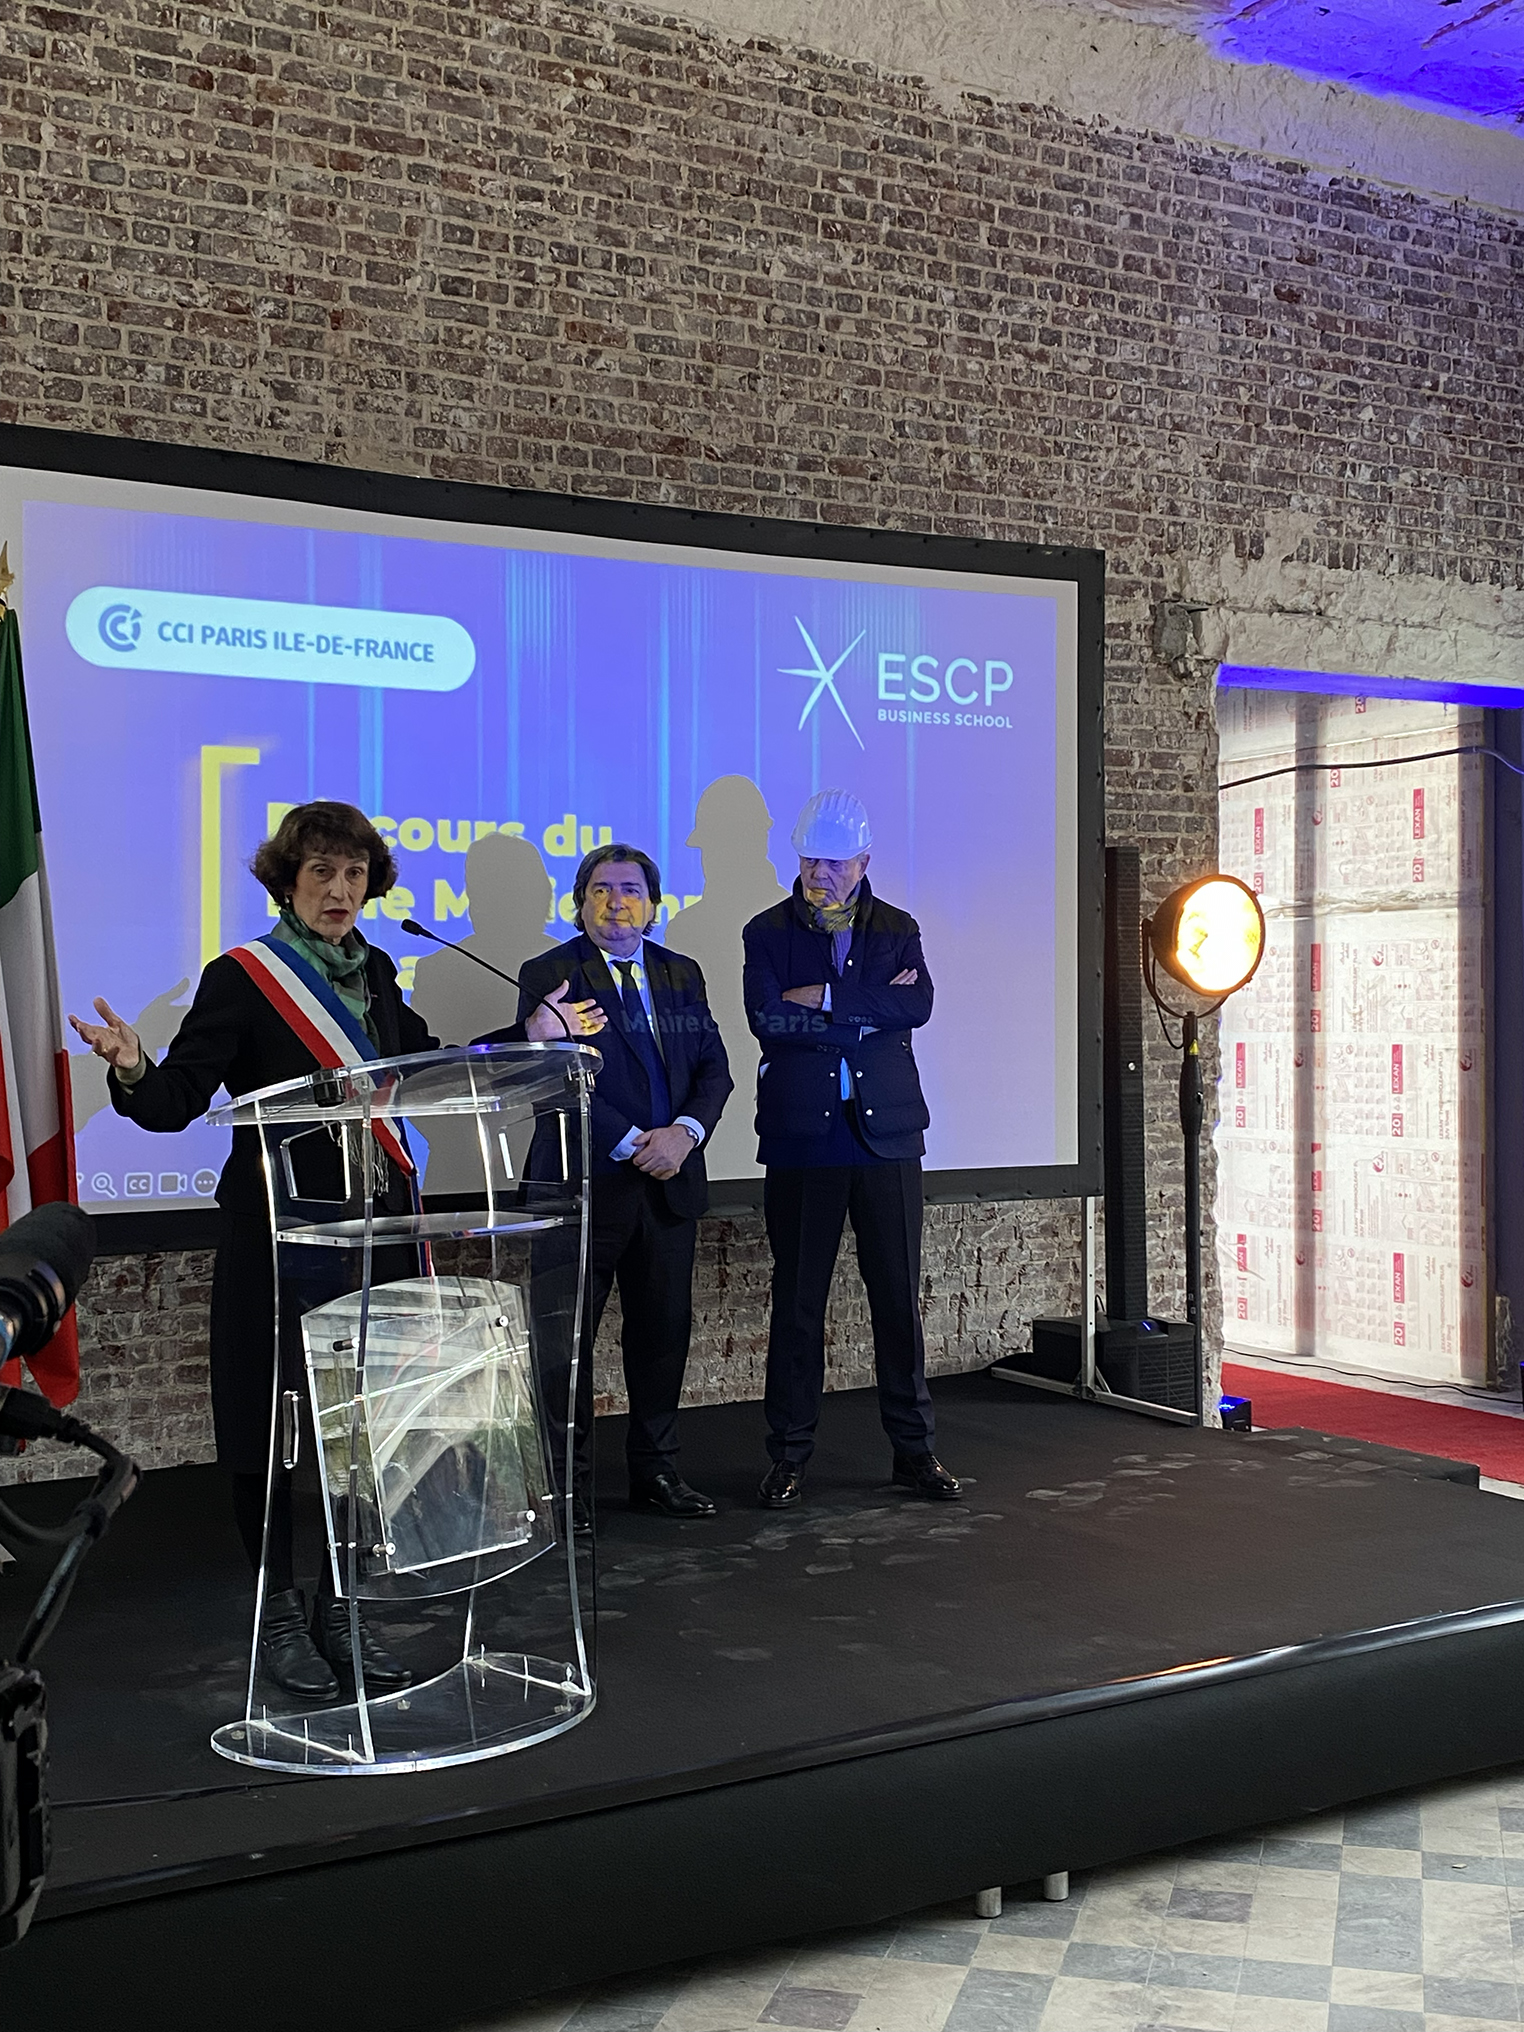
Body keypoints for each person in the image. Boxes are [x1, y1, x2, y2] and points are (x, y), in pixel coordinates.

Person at [68, 800, 592, 1704]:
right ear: (288, 882)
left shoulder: (378, 972)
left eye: (354, 874)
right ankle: (278, 1610)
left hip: (375, 1235)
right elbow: (175, 1101)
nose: (340, 890)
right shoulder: (244, 978)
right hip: (282, 1236)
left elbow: (428, 1064)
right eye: (322, 873)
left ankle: (343, 1607)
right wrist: (131, 1066)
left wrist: (531, 1042)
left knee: (362, 1432)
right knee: (271, 1431)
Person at [479, 844, 733, 1519]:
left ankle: (657, 1472)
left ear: (653, 906)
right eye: (599, 889)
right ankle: (565, 1485)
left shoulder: (682, 973)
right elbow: (554, 1073)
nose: (615, 902)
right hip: (581, 1185)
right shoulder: (551, 973)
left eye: (629, 889)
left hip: (669, 1183)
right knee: (564, 1346)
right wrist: (631, 1141)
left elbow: (713, 1069)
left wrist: (684, 1134)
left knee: (662, 1337)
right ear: (579, 902)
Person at [741, 789, 961, 1508]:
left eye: (834, 863)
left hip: (886, 1137)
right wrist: (868, 1007)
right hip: (804, 1140)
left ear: (863, 862)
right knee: (798, 1304)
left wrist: (826, 998)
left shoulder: (898, 927)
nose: (820, 874)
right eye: (810, 861)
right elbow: (769, 1020)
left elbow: (918, 1006)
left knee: (897, 1300)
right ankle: (789, 1455)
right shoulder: (765, 932)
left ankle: (914, 1452)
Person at [667, 776, 789, 1184]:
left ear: (755, 844)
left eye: (717, 846)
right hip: (704, 1109)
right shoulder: (685, 928)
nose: (710, 860)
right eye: (709, 848)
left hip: (777, 1103)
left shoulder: (791, 924)